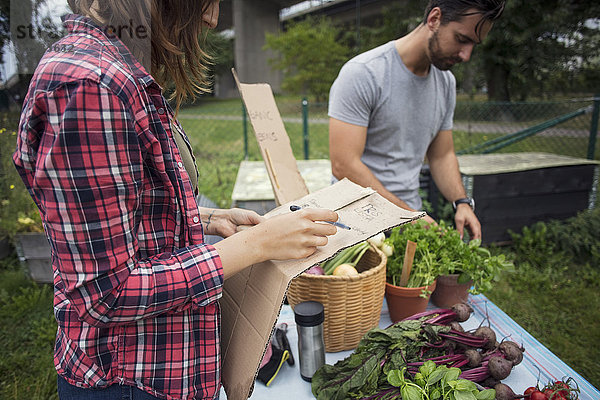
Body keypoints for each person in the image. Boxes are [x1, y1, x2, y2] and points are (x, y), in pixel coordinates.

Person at [12, 1, 339, 399]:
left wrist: (208, 219)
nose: (212, 18)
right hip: (131, 381)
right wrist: (256, 245)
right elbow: (106, 293)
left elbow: (122, 218)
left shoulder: (116, 68)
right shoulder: (90, 87)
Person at [328, 0, 506, 240]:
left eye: (474, 44)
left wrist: (461, 202)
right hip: (356, 222)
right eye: (461, 39)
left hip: (409, 217)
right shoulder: (364, 73)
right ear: (434, 19)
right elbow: (344, 165)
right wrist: (407, 216)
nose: (466, 55)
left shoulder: (446, 84)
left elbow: (442, 155)